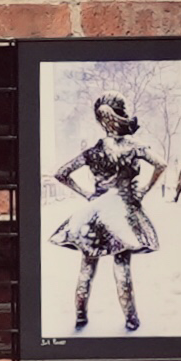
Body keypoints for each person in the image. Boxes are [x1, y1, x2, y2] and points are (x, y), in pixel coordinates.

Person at [51, 91, 163, 334]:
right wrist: (144, 190)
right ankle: (131, 319)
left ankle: (80, 316)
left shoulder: (93, 151)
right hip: (122, 214)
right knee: (122, 266)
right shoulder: (135, 147)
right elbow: (161, 164)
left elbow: (61, 173)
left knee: (87, 266)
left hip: (96, 214)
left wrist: (86, 194)